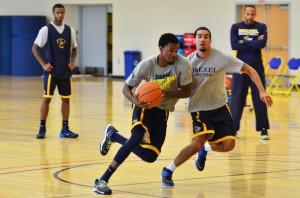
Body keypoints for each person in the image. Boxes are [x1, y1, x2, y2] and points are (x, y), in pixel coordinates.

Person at [161, 27, 273, 187]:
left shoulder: (222, 58)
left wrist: (262, 91)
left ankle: (205, 149)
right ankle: (168, 170)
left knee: (229, 145)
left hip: (220, 107)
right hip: (198, 108)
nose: (203, 39)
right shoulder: (187, 62)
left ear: (210, 40)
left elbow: (250, 70)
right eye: (199, 36)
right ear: (194, 40)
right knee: (197, 142)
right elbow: (177, 86)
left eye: (206, 36)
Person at [93, 33, 193, 195]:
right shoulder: (146, 65)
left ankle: (114, 135)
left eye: (176, 50)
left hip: (162, 111)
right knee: (136, 138)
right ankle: (103, 180)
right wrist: (135, 100)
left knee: (150, 155)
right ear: (161, 49)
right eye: (170, 50)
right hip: (144, 106)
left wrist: (165, 94)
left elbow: (187, 91)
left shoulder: (183, 64)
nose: (174, 54)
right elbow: (126, 88)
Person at [32, 3, 78, 139]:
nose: (60, 15)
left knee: (66, 100)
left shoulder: (70, 30)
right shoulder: (46, 29)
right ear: (53, 13)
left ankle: (65, 128)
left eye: (62, 12)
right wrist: (43, 64)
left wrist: (72, 61)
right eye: (58, 12)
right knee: (47, 99)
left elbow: (74, 48)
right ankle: (42, 128)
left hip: (65, 72)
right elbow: (34, 48)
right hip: (51, 72)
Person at [230, 5, 270, 140]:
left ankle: (263, 129)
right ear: (244, 14)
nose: (250, 17)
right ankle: (233, 128)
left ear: (255, 14)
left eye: (252, 14)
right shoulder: (235, 27)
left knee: (260, 97)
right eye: (248, 14)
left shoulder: (261, 27)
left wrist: (244, 42)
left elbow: (261, 44)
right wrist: (253, 42)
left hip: (257, 67)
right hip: (240, 67)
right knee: (237, 98)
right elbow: (234, 45)